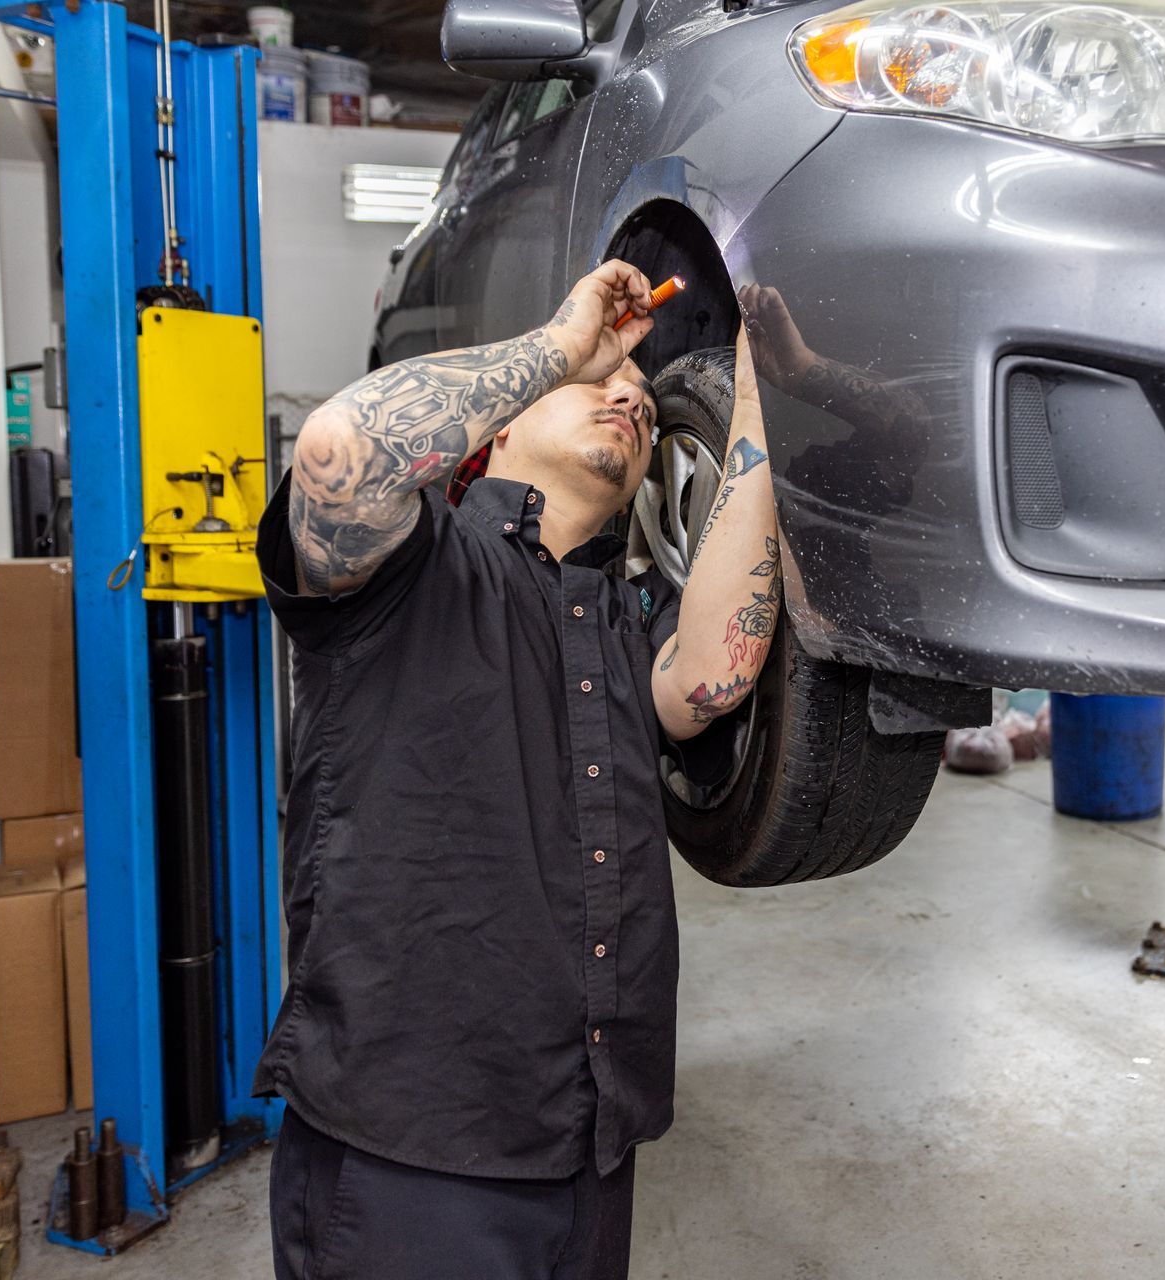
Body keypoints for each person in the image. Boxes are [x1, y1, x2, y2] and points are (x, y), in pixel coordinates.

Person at [256, 260, 777, 1279]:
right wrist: (560, 345)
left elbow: (713, 676)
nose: (630, 391)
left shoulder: (619, 620)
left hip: (585, 1147)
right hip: (409, 1165)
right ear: (489, 435)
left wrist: (759, 379)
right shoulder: (406, 571)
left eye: (638, 390)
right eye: (597, 386)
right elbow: (336, 452)